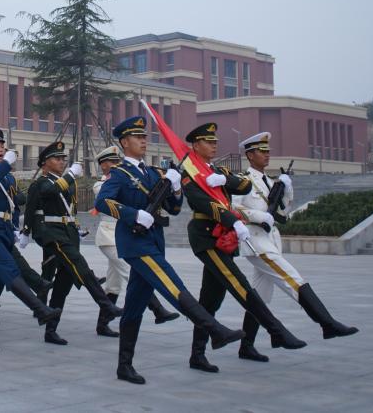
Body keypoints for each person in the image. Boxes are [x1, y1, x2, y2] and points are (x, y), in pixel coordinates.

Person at [95, 117, 244, 385]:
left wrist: (175, 188)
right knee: (172, 285)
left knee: (134, 307)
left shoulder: (153, 173)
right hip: (135, 243)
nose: (144, 140)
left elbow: (173, 209)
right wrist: (133, 214)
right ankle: (215, 330)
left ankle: (124, 366)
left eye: (145, 136)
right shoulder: (118, 174)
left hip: (154, 240)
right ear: (124, 142)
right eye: (138, 137)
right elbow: (102, 201)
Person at [181, 122, 306, 374]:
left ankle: (197, 354)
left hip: (223, 237)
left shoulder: (218, 170)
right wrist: (233, 221)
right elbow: (203, 203)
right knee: (239, 285)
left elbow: (244, 185)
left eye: (215, 141)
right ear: (196, 145)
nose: (214, 145)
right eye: (209, 142)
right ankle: (276, 330)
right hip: (206, 237)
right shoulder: (190, 173)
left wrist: (224, 179)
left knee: (211, 299)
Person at [232, 132, 357, 361]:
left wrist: (287, 189)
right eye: (262, 151)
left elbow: (282, 213)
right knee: (292, 279)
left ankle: (246, 346)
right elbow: (233, 207)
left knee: (260, 296)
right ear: (250, 155)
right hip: (256, 242)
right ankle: (327, 323)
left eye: (268, 151)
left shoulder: (270, 182)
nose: (267, 154)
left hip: (271, 240)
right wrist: (258, 216)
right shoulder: (242, 180)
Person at [0, 129, 59, 352]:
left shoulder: (7, 177)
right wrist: (6, 164)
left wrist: (16, 227)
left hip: (4, 230)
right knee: (10, 270)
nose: (1, 149)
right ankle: (40, 309)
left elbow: (13, 204)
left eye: (3, 146)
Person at [26, 141, 122, 345]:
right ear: (44, 163)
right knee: (81, 266)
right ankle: (106, 305)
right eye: (57, 158)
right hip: (54, 233)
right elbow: (48, 193)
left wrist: (76, 228)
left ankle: (51, 330)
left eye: (63, 159)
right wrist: (27, 230)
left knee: (63, 285)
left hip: (68, 232)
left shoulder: (65, 183)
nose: (61, 162)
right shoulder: (42, 182)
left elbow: (69, 209)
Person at [90, 145, 178, 337]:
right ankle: (157, 309)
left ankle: (102, 323)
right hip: (109, 237)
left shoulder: (126, 177)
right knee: (132, 272)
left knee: (113, 284)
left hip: (126, 236)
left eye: (118, 161)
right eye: (112, 162)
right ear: (103, 165)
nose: (117, 164)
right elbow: (109, 200)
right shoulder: (101, 184)